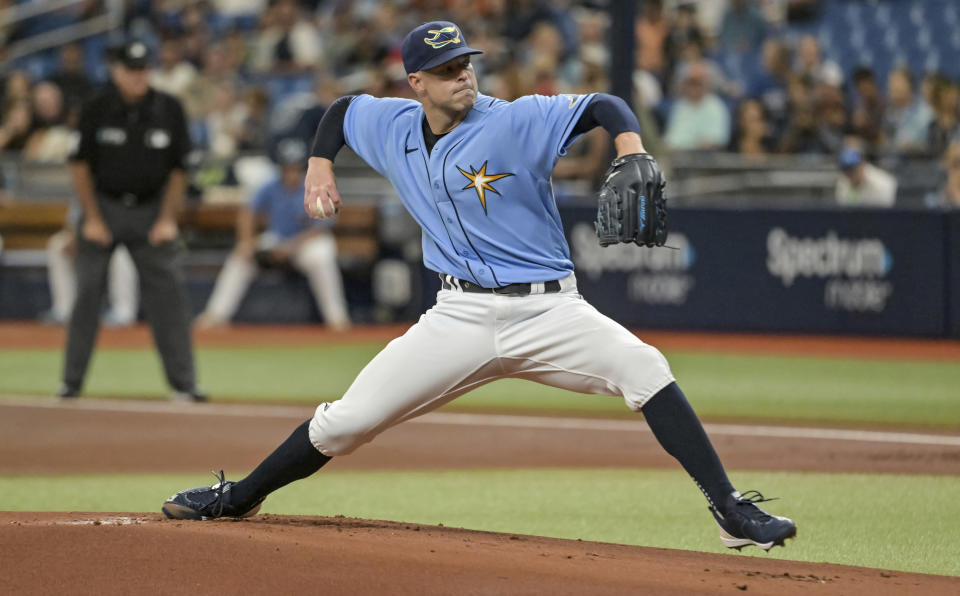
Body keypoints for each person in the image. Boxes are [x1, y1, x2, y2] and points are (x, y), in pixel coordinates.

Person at [162, 21, 796, 553]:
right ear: (416, 84)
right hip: (457, 315)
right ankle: (238, 497)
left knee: (645, 366)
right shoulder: (391, 125)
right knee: (346, 424)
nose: (462, 75)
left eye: (465, 63)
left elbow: (605, 105)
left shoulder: (517, 120)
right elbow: (341, 112)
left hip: (550, 311)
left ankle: (731, 512)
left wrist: (631, 149)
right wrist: (319, 164)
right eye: (445, 69)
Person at [57, 40, 205, 402]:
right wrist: (90, 218)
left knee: (168, 297)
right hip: (103, 207)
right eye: (131, 70)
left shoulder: (168, 108)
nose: (138, 77)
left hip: (152, 211)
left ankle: (184, 385)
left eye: (143, 70)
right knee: (87, 294)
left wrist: (168, 219)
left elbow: (179, 169)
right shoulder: (97, 106)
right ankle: (70, 383)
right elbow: (79, 166)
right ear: (116, 71)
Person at [194, 138, 351, 330]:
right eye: (287, 167)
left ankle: (337, 319)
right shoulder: (270, 185)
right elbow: (248, 214)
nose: (291, 172)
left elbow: (321, 228)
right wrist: (246, 242)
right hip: (276, 241)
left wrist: (290, 247)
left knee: (322, 255)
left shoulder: (314, 185)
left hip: (304, 246)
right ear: (280, 167)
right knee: (240, 258)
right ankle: (216, 315)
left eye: (295, 167)